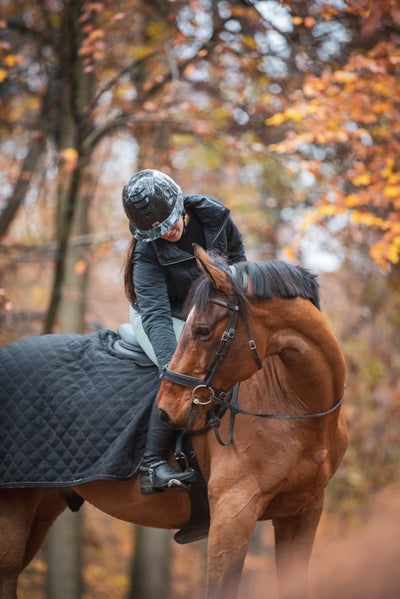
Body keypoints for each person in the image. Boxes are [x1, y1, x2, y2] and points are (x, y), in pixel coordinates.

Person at [122, 169, 246, 494]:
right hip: (163, 317)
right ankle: (151, 465)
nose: (170, 232)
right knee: (181, 369)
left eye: (173, 221)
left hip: (205, 310)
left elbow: (240, 263)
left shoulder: (215, 216)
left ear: (181, 203)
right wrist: (172, 365)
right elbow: (156, 316)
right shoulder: (145, 256)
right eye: (159, 232)